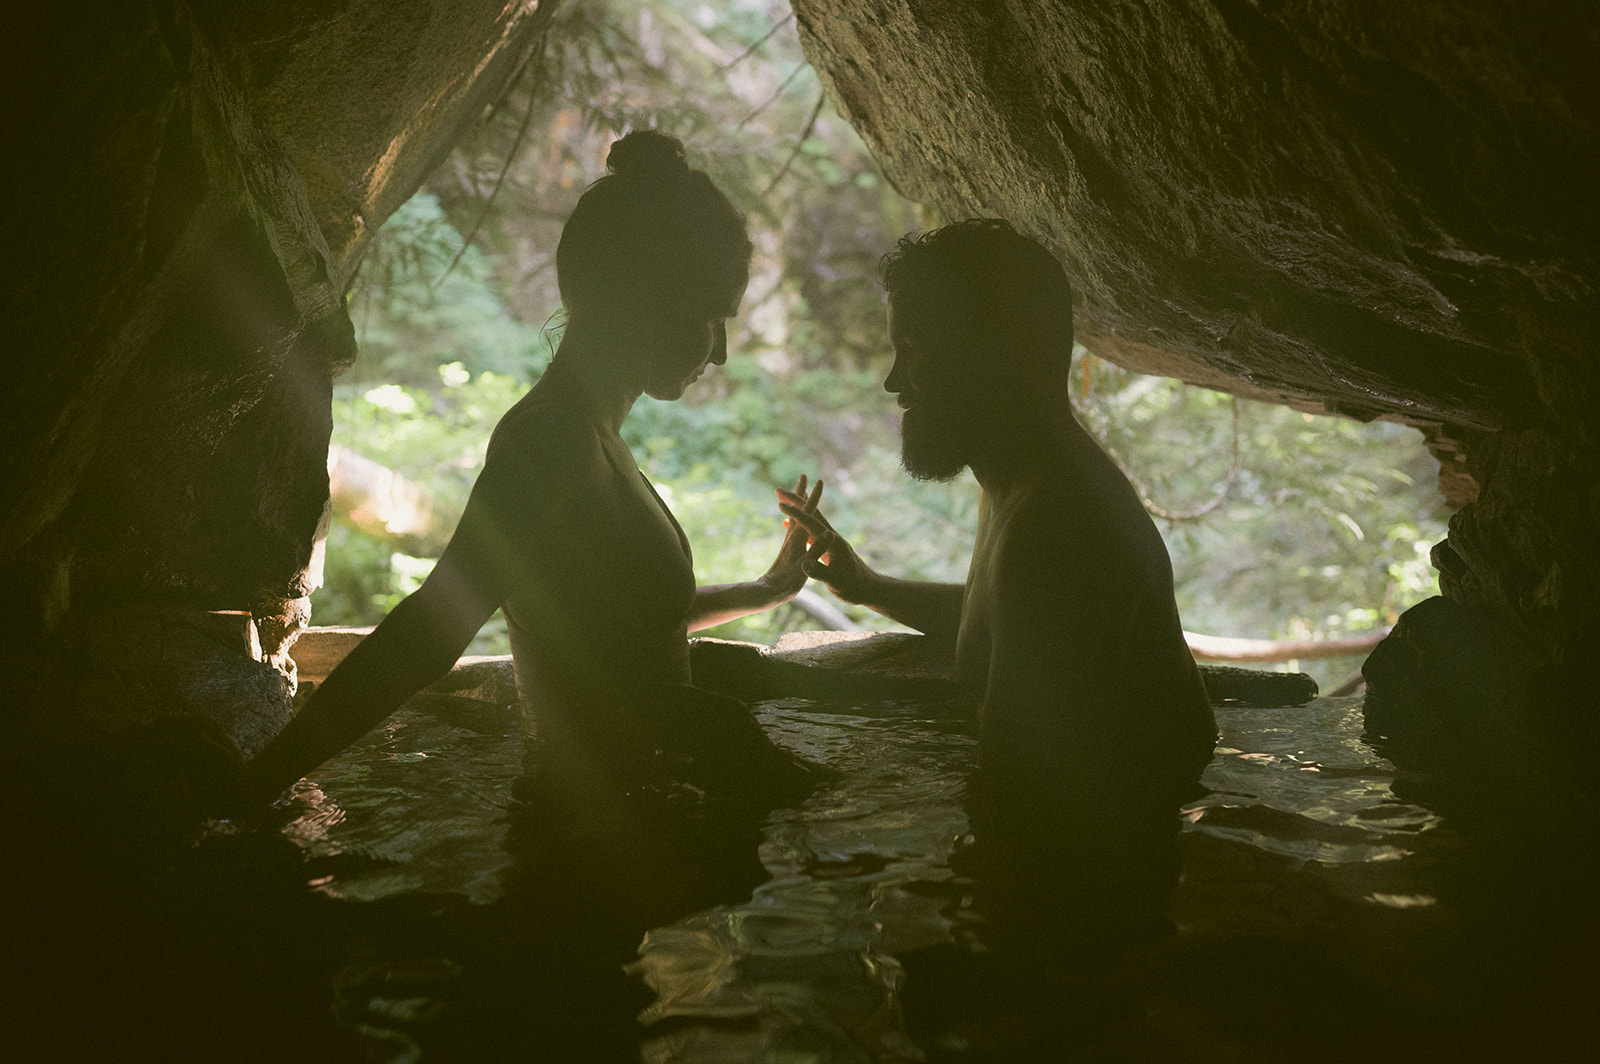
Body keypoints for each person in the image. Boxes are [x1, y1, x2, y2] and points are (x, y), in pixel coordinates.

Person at [249, 131, 824, 805]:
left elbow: (615, 624)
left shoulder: (588, 433)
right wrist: (260, 781)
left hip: (636, 813)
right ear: (644, 301)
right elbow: (431, 630)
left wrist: (761, 591)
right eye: (710, 317)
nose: (720, 352)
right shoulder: (552, 441)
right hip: (587, 839)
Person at [779, 219, 1217, 818]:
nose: (892, 382)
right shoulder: (1022, 485)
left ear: (993, 354)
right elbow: (1010, 624)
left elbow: (1019, 806)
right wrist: (871, 589)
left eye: (916, 351)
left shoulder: (1057, 527)